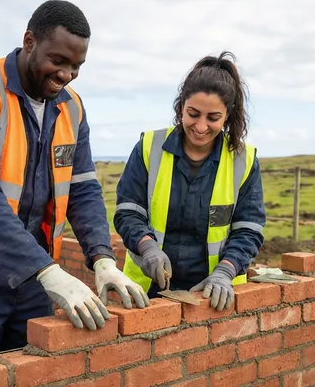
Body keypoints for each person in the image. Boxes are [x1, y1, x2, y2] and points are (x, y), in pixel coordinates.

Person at [0, 0, 148, 364]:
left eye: (77, 66)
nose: (67, 75)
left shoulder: (71, 106)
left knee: (26, 370)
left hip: (33, 276)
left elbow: (83, 188)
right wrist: (51, 274)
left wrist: (102, 259)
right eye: (58, 61)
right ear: (29, 42)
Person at [114, 53, 265, 311]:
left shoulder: (243, 160)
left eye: (213, 118)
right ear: (180, 106)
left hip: (212, 296)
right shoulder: (151, 147)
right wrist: (147, 246)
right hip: (148, 290)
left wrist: (225, 272)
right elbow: (128, 212)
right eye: (193, 114)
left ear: (227, 115)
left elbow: (248, 230)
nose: (201, 126)